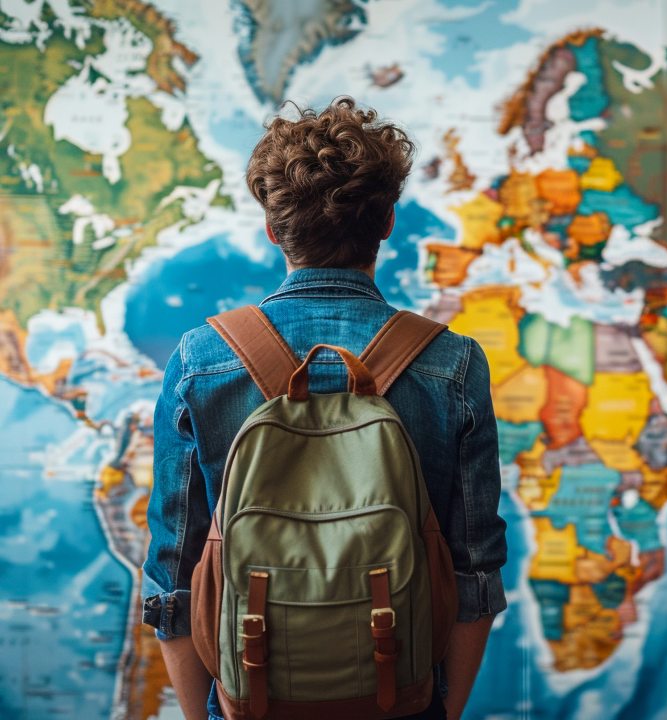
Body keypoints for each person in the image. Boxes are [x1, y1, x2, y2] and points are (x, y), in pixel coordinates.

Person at [141, 97, 508, 720]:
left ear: (272, 228)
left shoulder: (201, 359)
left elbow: (172, 577)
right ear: (387, 221)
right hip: (400, 697)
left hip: (249, 694)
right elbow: (475, 575)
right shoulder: (452, 363)